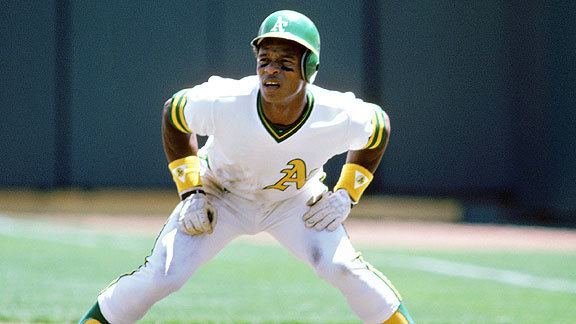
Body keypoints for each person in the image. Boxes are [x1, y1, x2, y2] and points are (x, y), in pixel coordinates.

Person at [79, 9, 414, 324]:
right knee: (165, 274)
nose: (270, 70)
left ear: (309, 67)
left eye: (284, 63)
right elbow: (174, 113)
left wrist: (346, 194)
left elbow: (379, 127)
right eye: (264, 60)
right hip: (219, 194)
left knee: (342, 267)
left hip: (293, 201)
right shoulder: (225, 100)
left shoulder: (336, 112)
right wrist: (191, 191)